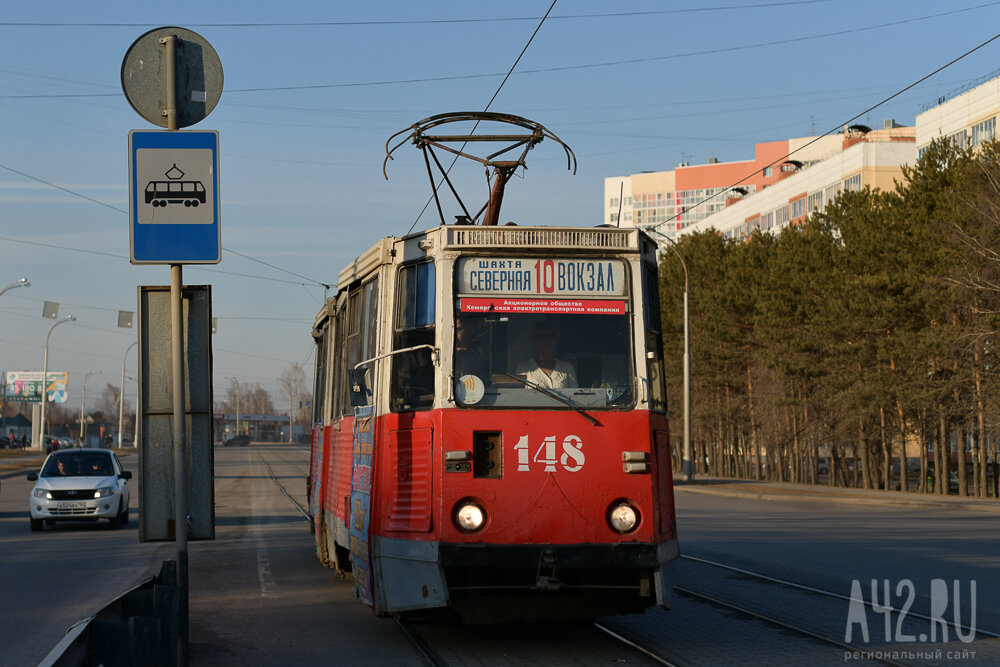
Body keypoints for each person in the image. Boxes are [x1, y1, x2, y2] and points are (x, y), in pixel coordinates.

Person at [515, 321, 577, 389]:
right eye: (541, 337)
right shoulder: (524, 368)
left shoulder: (567, 368)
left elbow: (575, 396)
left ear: (555, 339)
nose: (546, 341)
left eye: (550, 336)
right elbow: (518, 396)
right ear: (535, 340)